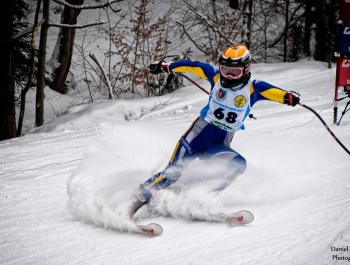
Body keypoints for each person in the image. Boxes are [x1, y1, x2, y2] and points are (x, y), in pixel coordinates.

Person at [128, 44, 300, 218]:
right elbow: (192, 66)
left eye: (236, 72)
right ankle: (134, 200)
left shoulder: (253, 89)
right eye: (226, 70)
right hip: (197, 135)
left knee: (237, 165)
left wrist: (288, 97)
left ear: (246, 69)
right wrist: (166, 67)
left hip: (218, 145)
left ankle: (200, 200)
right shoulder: (215, 76)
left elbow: (276, 93)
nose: (230, 76)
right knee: (172, 173)